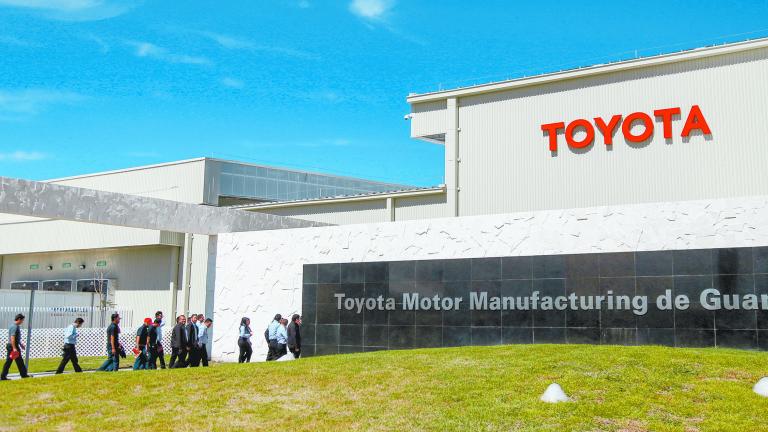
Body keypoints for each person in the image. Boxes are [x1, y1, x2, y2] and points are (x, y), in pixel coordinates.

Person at [1, 313, 29, 380]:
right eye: (22, 320)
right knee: (16, 361)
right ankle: (24, 375)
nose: (22, 322)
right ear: (19, 319)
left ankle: (3, 376)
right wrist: (14, 348)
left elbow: (16, 338)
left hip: (12, 346)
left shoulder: (14, 326)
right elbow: (12, 337)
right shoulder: (14, 326)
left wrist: (20, 344)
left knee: (12, 361)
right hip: (13, 347)